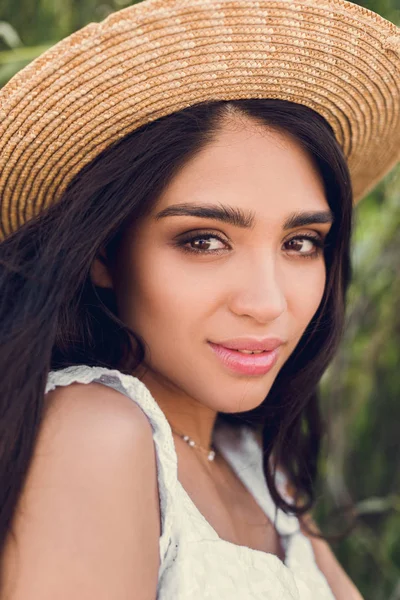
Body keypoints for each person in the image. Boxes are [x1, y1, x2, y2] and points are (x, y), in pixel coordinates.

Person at [0, 0, 398, 598]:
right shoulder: (96, 432)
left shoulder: (256, 462)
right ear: (104, 254)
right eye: (205, 241)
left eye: (300, 242)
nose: (267, 303)